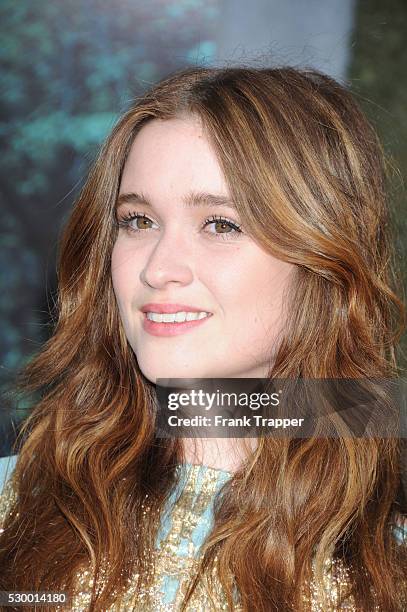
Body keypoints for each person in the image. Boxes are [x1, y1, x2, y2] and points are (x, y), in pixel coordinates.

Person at [0, 65, 406, 611]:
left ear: (323, 256)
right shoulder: (14, 503)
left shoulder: (389, 563)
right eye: (138, 221)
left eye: (220, 224)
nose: (158, 269)